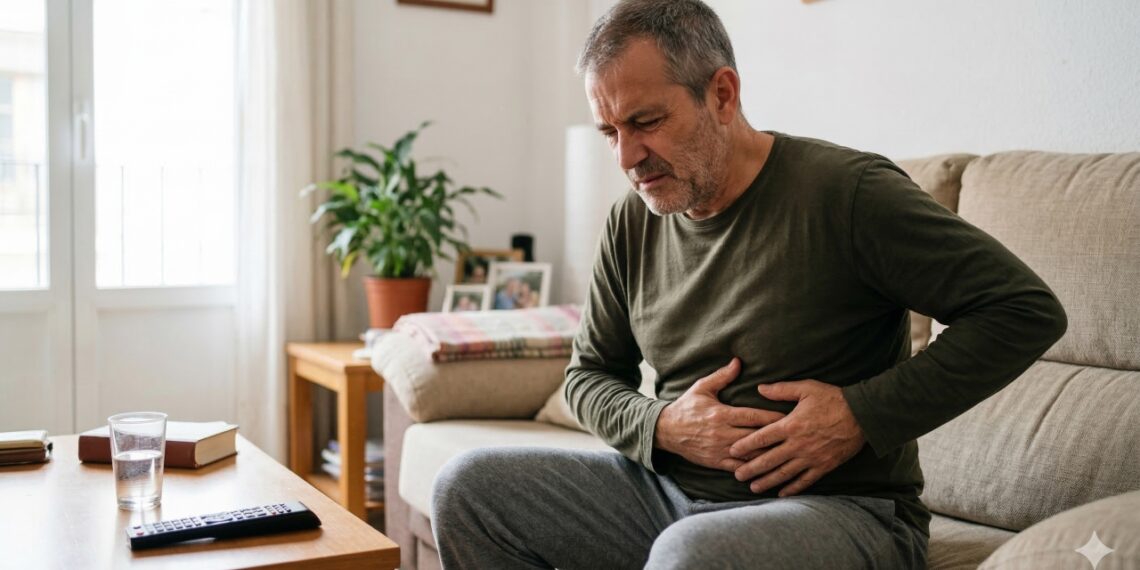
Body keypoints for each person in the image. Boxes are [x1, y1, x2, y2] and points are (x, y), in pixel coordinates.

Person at [430, 1, 1067, 568]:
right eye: (610, 132)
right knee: (469, 488)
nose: (626, 158)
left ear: (723, 95)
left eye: (645, 122)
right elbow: (588, 375)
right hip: (669, 493)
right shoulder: (633, 220)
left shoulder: (846, 194)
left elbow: (1023, 310)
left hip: (843, 511)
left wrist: (859, 414)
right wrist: (662, 428)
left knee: (691, 555)